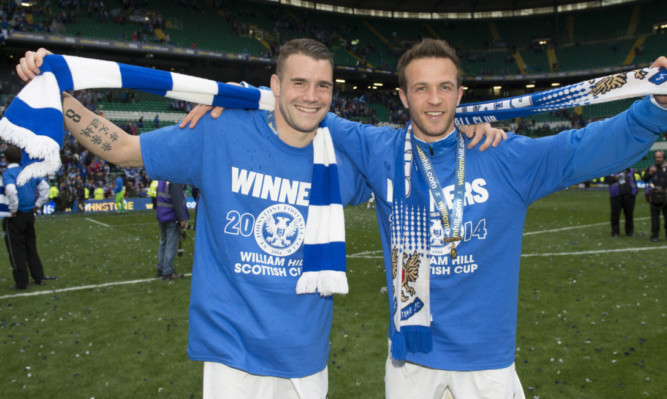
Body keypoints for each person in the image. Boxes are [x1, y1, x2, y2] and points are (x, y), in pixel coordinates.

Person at [17, 40, 502, 398]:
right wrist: (58, 97)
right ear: (274, 87)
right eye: (298, 83)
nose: (311, 96)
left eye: (323, 86)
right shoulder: (218, 132)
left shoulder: (342, 163)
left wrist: (468, 129)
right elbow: (124, 149)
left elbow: (416, 158)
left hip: (305, 359)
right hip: (232, 355)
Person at [183, 39, 667, 398]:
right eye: (421, 89)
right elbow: (308, 108)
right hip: (411, 359)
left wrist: (653, 110)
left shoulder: (504, 156)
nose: (434, 99)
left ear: (460, 93)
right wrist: (243, 101)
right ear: (402, 97)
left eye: (444, 88)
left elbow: (584, 150)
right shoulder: (380, 149)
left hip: (487, 364)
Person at [2, 144, 50, 289]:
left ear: (5, 159)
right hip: (29, 214)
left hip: (17, 215)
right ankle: (38, 276)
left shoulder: (8, 174)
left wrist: (13, 209)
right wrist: (38, 204)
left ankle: (21, 282)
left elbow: (11, 190)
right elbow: (45, 188)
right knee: (31, 247)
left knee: (16, 249)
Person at [156, 180, 188, 280]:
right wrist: (181, 218)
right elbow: (177, 200)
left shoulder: (161, 179)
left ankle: (160, 269)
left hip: (162, 214)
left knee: (163, 242)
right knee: (171, 245)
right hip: (171, 216)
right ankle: (168, 271)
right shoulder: (175, 179)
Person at [642, 150, 667, 242]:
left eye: (660, 157)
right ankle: (655, 235)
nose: (658, 159)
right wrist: (650, 173)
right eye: (656, 157)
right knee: (654, 218)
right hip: (655, 195)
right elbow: (644, 179)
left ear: (663, 157)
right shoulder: (652, 167)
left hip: (665, 195)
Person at [605, 167, 638, 237]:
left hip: (629, 196)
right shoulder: (611, 170)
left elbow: (633, 181)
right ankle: (615, 232)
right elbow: (606, 180)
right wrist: (615, 178)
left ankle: (629, 232)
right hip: (616, 196)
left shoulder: (630, 170)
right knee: (615, 215)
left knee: (629, 215)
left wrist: (634, 192)